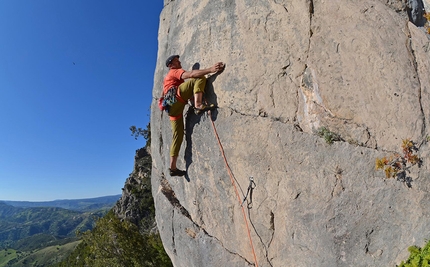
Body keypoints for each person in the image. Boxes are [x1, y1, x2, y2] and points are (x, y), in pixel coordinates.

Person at [163, 55, 224, 176]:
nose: (179, 61)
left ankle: (173, 168)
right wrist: (211, 69)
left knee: (178, 136)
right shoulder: (174, 71)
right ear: (171, 65)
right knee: (199, 77)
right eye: (176, 61)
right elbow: (191, 75)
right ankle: (198, 105)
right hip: (176, 98)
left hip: (172, 109)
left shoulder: (167, 80)